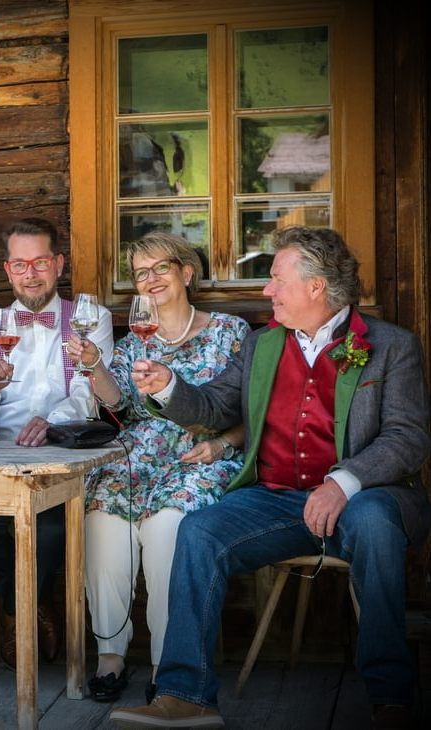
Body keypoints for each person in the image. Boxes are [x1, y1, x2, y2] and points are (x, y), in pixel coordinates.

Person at [111, 226, 431, 730]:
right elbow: (215, 408)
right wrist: (168, 386)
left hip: (365, 497)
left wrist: (342, 482)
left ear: (316, 286)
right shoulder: (262, 345)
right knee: (200, 530)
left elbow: (407, 437)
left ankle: (391, 697)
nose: (266, 290)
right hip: (277, 499)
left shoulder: (392, 346)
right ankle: (185, 696)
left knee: (373, 524)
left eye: (276, 279)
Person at [64, 232, 249, 703]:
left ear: (187, 272)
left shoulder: (230, 332)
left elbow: (255, 411)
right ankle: (110, 654)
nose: (150, 279)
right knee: (102, 519)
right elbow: (120, 405)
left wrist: (222, 447)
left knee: (168, 528)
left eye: (161, 268)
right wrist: (93, 365)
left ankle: (172, 663)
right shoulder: (134, 340)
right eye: (141, 273)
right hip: (137, 454)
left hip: (198, 455)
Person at [0, 217, 113, 670]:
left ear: (58, 264)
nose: (31, 273)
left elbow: (90, 394)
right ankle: (25, 608)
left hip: (62, 457)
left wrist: (52, 422)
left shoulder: (89, 319)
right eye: (20, 264)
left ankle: (12, 615)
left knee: (48, 530)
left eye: (40, 262)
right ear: (8, 270)